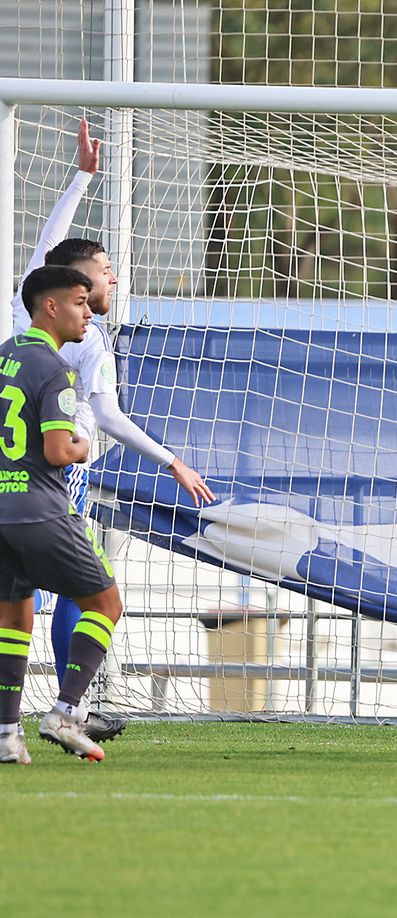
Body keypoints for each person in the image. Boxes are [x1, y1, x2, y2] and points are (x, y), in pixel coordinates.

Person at [11, 120, 216, 743]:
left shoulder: (77, 334)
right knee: (83, 589)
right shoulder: (64, 329)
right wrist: (170, 459)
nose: (114, 278)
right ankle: (68, 707)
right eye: (104, 270)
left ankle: (41, 712)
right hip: (50, 473)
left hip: (23, 472)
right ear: (71, 287)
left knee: (27, 599)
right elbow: (103, 419)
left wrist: (83, 178)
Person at [0, 267, 129, 764]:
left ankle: (7, 734)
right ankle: (66, 712)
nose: (88, 312)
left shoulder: (4, 357)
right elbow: (57, 451)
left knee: (14, 615)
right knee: (105, 603)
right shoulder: (56, 370)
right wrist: (82, 445)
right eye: (79, 301)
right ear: (49, 307)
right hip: (41, 508)